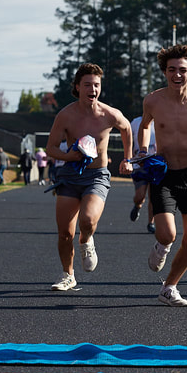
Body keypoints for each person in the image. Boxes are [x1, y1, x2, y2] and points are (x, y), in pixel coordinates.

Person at [139, 44, 187, 307]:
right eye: (171, 70)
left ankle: (169, 287)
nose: (177, 75)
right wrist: (142, 149)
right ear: (164, 72)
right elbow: (146, 125)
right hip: (164, 174)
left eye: (182, 70)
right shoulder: (152, 100)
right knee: (167, 234)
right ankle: (161, 247)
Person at [46, 63, 133, 292]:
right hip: (70, 174)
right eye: (87, 85)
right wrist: (68, 155)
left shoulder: (109, 114)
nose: (92, 89)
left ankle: (86, 240)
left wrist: (127, 158)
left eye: (96, 85)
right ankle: (68, 275)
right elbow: (50, 149)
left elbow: (126, 129)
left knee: (88, 220)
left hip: (97, 175)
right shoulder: (65, 115)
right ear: (77, 87)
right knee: (65, 232)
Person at [129, 115, 157, 233]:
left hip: (156, 164)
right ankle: (137, 205)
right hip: (139, 164)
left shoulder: (161, 120)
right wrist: (129, 159)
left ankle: (151, 222)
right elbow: (129, 141)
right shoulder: (136, 122)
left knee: (154, 197)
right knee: (140, 195)